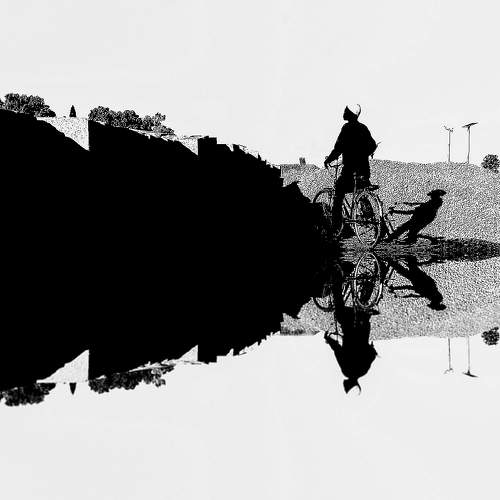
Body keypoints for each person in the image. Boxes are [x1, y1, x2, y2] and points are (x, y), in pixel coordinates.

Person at [324, 104, 378, 230]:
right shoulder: (363, 127)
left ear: (350, 114)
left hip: (350, 171)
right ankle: (377, 225)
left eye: (346, 111)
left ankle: (335, 227)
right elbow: (372, 145)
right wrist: (362, 154)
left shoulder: (347, 128)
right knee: (361, 193)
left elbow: (338, 148)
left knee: (338, 193)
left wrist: (328, 160)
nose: (344, 112)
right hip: (364, 170)